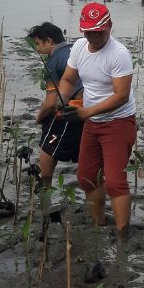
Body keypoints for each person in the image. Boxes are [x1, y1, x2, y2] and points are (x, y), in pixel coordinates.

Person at [58, 3, 137, 236]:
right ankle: (99, 223)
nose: (93, 36)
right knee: (86, 177)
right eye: (88, 31)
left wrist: (87, 113)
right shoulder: (80, 47)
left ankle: (123, 233)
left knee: (114, 181)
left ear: (109, 26)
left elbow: (121, 95)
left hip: (118, 122)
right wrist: (62, 100)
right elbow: (68, 79)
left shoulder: (119, 54)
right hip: (92, 122)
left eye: (98, 31)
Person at [29, 22, 83, 188]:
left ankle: (45, 181)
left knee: (47, 143)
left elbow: (51, 102)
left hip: (72, 111)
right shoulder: (75, 50)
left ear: (49, 42)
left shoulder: (52, 62)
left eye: (38, 44)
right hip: (91, 109)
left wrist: (39, 117)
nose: (37, 49)